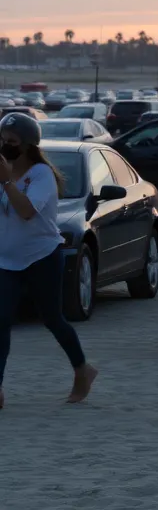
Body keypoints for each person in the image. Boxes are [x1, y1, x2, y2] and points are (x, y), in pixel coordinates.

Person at [0, 112, 97, 409]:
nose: (5, 146)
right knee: (1, 321)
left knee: (52, 318)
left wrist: (6, 182)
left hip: (42, 256)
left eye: (12, 142)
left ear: (28, 145)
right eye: (2, 140)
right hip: (7, 260)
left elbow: (26, 211)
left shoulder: (41, 175)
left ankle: (82, 369)